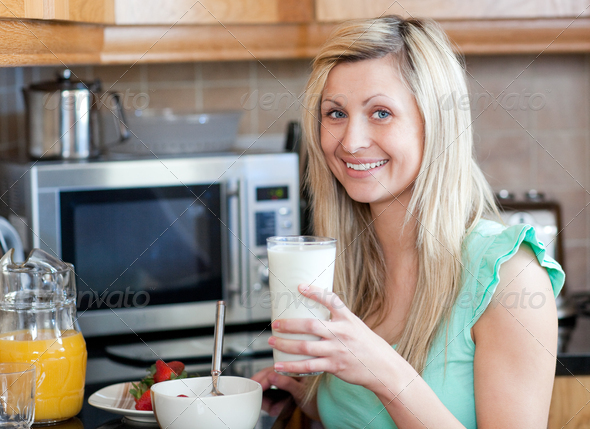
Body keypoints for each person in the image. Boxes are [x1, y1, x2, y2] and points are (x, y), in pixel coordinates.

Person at [252, 15, 564, 428]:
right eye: (335, 113)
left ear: (434, 126)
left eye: (380, 112)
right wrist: (307, 396)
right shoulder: (348, 267)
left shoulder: (509, 277)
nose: (351, 141)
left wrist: (388, 375)